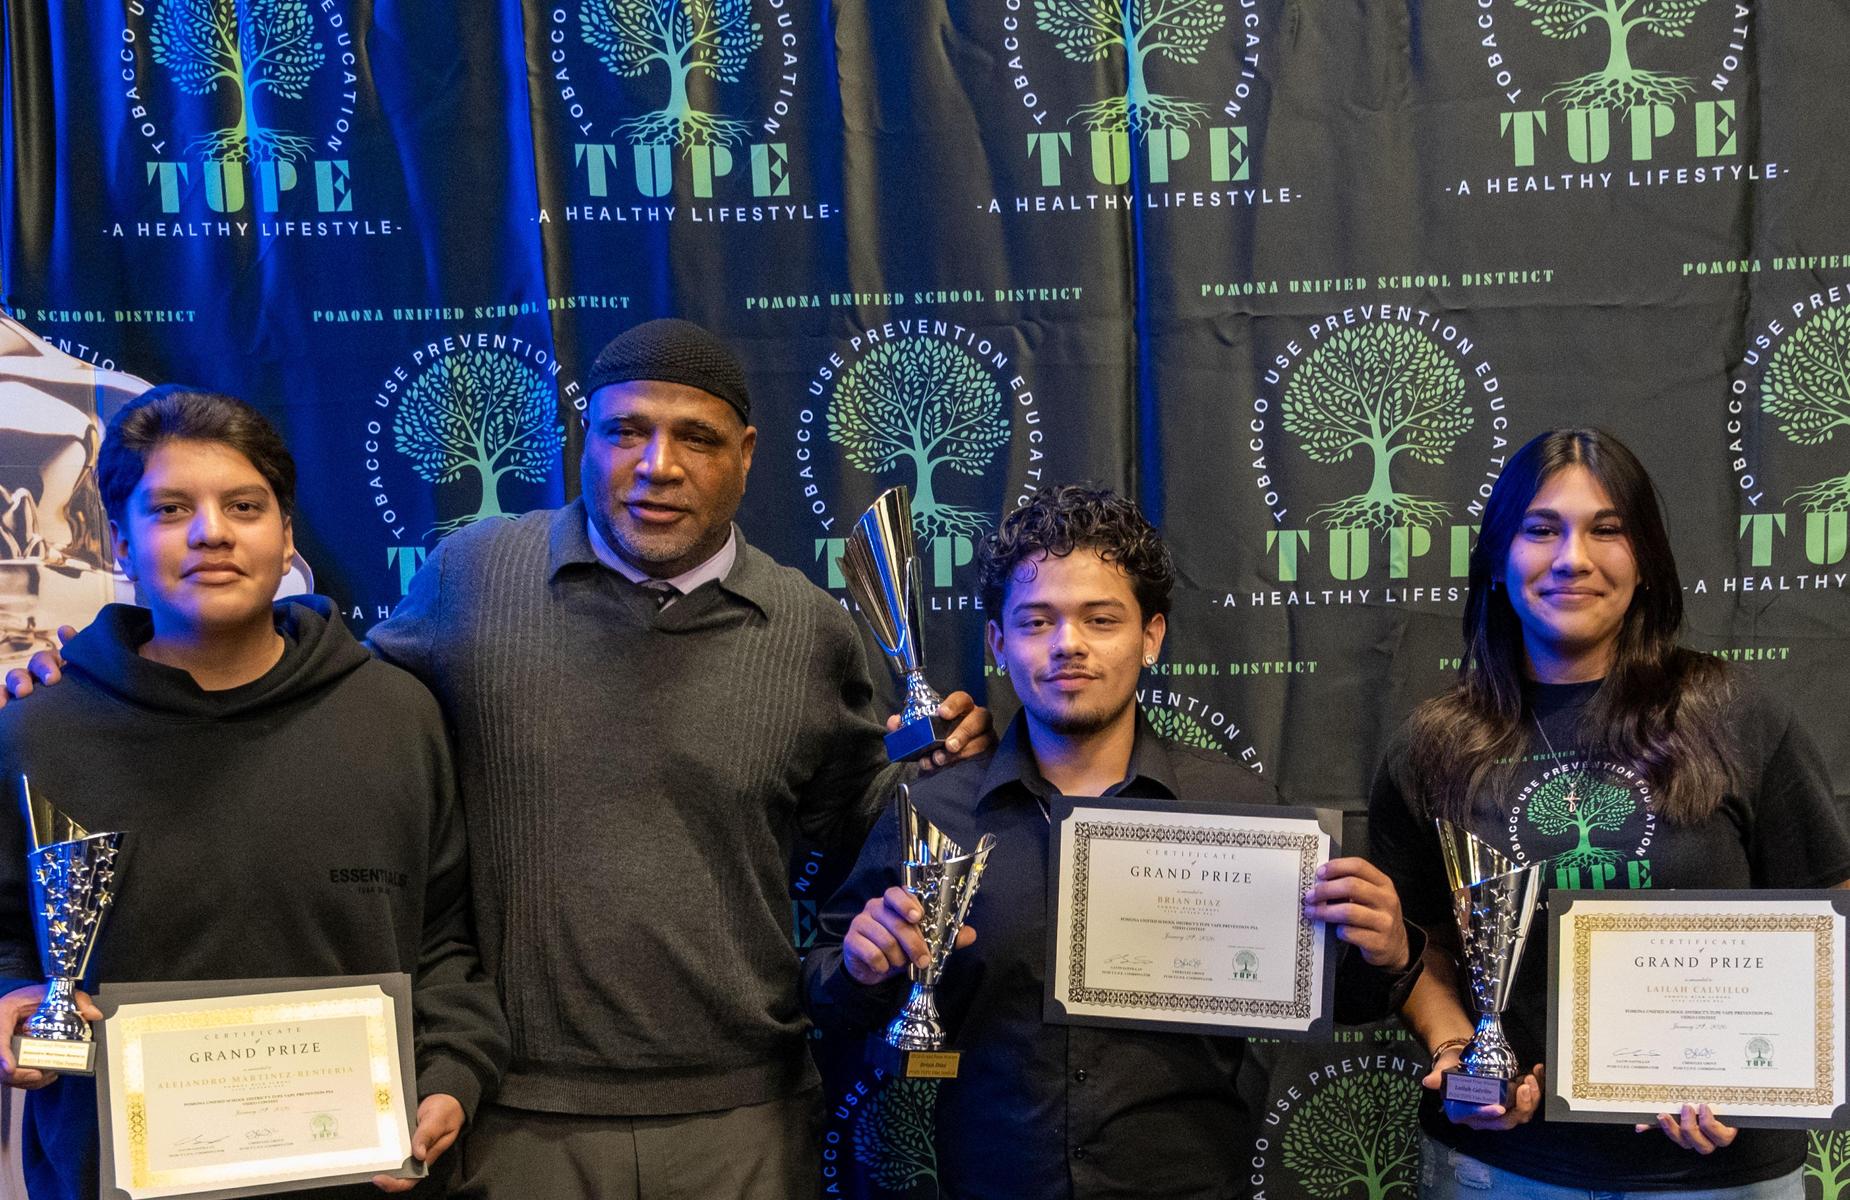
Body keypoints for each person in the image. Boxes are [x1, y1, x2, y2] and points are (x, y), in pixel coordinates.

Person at [359, 318, 992, 1199]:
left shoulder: (808, 627)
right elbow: (354, 731)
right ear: (588, 439)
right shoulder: (474, 575)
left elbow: (861, 830)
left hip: (743, 1121)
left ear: (746, 452)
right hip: (513, 1117)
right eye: (627, 431)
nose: (657, 466)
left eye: (695, 437)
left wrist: (946, 770)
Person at [802, 484, 1425, 1200]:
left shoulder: (1238, 809)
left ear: (1150, 637)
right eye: (1037, 622)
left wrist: (1387, 951)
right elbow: (825, 990)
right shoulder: (932, 811)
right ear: (998, 643)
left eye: (1101, 619)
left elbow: (1333, 995)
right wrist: (860, 967)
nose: (1069, 644)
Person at [0, 386, 508, 1200]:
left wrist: (453, 1074)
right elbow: (11, 944)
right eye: (169, 509)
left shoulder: (397, 717)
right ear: (121, 545)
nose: (212, 532)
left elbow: (445, 943)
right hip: (113, 1177)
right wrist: (15, 996)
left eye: (244, 504)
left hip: (359, 1176)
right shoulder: (35, 733)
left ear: (286, 535)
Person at [1369, 428, 1850, 1199]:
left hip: (1721, 1176)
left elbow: (1831, 915)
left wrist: (1758, 1075)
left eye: (1607, 529)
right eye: (1541, 530)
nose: (1573, 559)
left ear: (1646, 564)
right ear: (1497, 559)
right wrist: (1460, 1050)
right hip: (1503, 1168)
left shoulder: (1737, 718)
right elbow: (1417, 944)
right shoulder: (1432, 748)